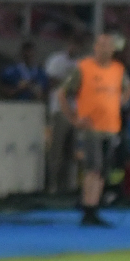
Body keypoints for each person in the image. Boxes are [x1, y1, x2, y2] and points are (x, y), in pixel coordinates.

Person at [58, 32, 130, 226]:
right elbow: (63, 94)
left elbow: (126, 88)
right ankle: (88, 208)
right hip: (91, 127)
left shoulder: (118, 69)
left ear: (113, 49)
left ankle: (93, 206)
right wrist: (74, 118)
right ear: (95, 47)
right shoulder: (84, 67)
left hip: (111, 126)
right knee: (93, 168)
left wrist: (118, 104)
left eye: (107, 45)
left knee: (102, 170)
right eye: (100, 45)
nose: (103, 49)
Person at [44, 32, 83, 195]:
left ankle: (68, 186)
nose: (75, 47)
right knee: (56, 149)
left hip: (75, 111)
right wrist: (70, 86)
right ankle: (52, 186)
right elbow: (52, 81)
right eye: (73, 43)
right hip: (59, 110)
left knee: (72, 151)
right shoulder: (57, 60)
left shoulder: (81, 63)